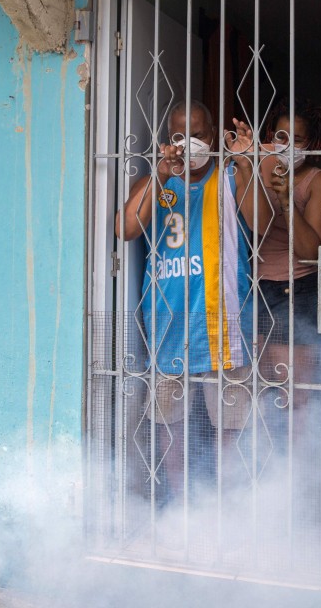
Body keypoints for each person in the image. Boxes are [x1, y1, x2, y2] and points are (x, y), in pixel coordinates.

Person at [115, 99, 272, 502]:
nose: (188, 144)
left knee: (230, 430)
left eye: (198, 135)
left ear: (214, 134)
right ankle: (184, 510)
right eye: (178, 136)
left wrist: (249, 163)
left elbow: (261, 222)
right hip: (168, 327)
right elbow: (126, 229)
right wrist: (159, 175)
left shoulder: (229, 177)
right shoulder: (159, 181)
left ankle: (226, 510)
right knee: (171, 430)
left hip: (223, 325)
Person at [230, 101, 321, 430]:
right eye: (281, 135)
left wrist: (288, 198)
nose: (287, 144)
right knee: (256, 395)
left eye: (298, 139)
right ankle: (264, 475)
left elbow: (311, 252)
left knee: (293, 400)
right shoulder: (261, 163)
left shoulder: (318, 181)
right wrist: (247, 166)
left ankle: (296, 478)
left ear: (312, 145)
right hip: (253, 289)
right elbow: (257, 224)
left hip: (296, 291)